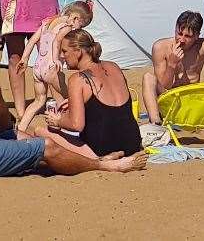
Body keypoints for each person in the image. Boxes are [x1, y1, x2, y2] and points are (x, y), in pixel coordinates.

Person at [0, 36, 146, 178]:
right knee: (45, 146)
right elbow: (2, 126)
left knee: (24, 137)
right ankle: (104, 165)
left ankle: (77, 158)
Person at [37, 29, 143, 159]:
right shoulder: (114, 66)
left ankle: (100, 159)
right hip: (132, 143)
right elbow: (109, 109)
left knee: (41, 132)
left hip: (101, 147)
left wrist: (58, 120)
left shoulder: (78, 79)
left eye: (64, 51)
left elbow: (76, 125)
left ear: (78, 52)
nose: (62, 56)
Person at [17, 0, 93, 121]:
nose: (79, 29)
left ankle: (21, 128)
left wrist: (24, 58)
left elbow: (32, 41)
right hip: (51, 68)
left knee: (38, 101)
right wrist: (55, 59)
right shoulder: (67, 27)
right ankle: (68, 128)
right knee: (68, 99)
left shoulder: (47, 23)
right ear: (75, 18)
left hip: (38, 68)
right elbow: (57, 40)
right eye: (81, 25)